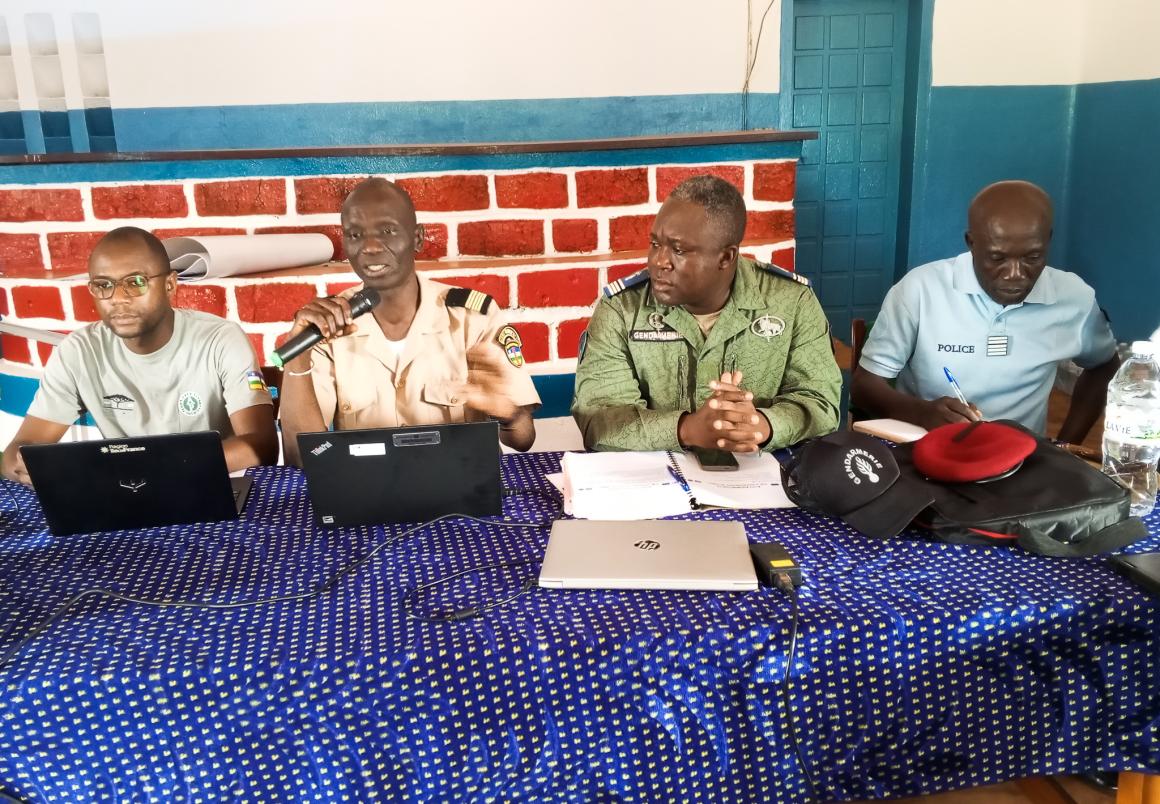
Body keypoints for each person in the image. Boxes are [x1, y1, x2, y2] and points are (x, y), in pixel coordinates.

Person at [277, 178, 540, 465]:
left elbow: (523, 438)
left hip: (463, 481)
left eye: (387, 231)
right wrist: (298, 359)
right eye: (355, 234)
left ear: (417, 238)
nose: (370, 247)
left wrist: (507, 413)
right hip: (367, 484)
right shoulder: (328, 326)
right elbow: (302, 459)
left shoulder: (472, 317)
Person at [571, 175, 841, 453]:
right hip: (655, 476)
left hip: (765, 472)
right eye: (655, 244)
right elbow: (598, 419)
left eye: (678, 250)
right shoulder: (621, 309)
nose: (659, 262)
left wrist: (762, 425)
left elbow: (820, 403)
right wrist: (687, 429)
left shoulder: (792, 302)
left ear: (725, 257)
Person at [1, 227, 278, 485]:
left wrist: (151, 468)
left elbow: (260, 446)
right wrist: (23, 463)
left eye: (135, 282)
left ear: (170, 285)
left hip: (208, 483)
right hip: (124, 494)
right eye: (103, 285)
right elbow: (17, 453)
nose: (118, 298)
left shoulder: (220, 339)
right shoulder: (78, 352)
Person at [851, 180, 1119, 441]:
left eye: (1032, 258)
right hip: (925, 451)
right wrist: (921, 413)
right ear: (971, 242)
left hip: (1021, 459)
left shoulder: (1074, 299)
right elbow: (864, 386)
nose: (1015, 275)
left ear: (1047, 240)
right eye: (997, 258)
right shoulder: (920, 290)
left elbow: (1104, 366)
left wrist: (1066, 446)